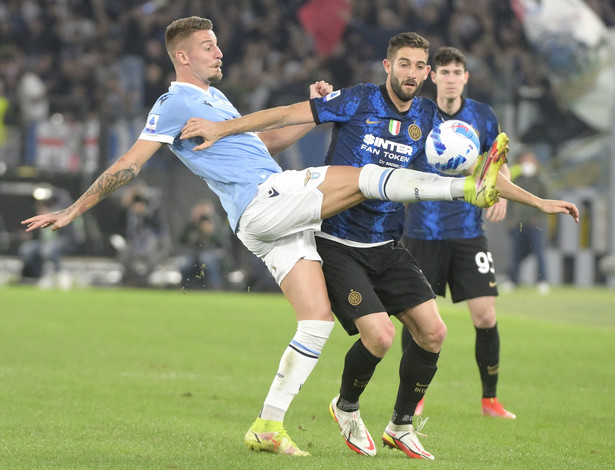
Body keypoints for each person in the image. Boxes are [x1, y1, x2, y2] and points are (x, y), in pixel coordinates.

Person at [22, 17, 511, 458]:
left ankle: (268, 424)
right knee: (363, 176)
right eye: (208, 46)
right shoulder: (174, 103)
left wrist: (314, 109)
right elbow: (130, 163)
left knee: (316, 321)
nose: (218, 52)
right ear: (183, 56)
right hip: (264, 200)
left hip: (273, 220)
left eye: (216, 44)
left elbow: (267, 142)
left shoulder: (215, 101)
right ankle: (465, 188)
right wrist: (73, 208)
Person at [178, 32, 579, 459]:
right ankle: (346, 408)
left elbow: (480, 170)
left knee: (433, 332)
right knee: (382, 336)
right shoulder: (359, 100)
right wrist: (224, 127)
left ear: (427, 72)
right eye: (403, 64)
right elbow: (285, 116)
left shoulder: (427, 117)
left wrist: (536, 201)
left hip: (386, 243)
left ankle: (401, 425)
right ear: (388, 67)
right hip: (335, 242)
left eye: (419, 66)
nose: (411, 73)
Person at [403, 46, 517, 419]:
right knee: (418, 319)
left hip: (468, 231)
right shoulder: (417, 112)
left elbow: (497, 164)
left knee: (485, 316)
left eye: (457, 72)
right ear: (432, 77)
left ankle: (490, 400)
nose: (451, 78)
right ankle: (413, 397)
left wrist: (501, 191)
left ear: (465, 77)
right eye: (444, 72)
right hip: (422, 231)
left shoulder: (483, 115)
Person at [506, 149, 552, 294]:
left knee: (539, 253)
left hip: (535, 225)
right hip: (518, 223)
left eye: (531, 160)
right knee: (517, 253)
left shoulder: (540, 179)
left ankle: (542, 281)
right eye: (526, 160)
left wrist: (538, 217)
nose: (529, 163)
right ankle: (513, 280)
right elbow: (509, 201)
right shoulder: (516, 179)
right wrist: (510, 219)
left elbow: (547, 198)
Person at [178, 199, 232, 290]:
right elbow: (181, 240)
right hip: (195, 255)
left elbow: (224, 243)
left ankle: (215, 287)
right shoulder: (192, 225)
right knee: (184, 264)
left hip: (215, 254)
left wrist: (211, 233)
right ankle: (184, 289)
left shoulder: (217, 223)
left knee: (207, 259)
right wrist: (192, 224)